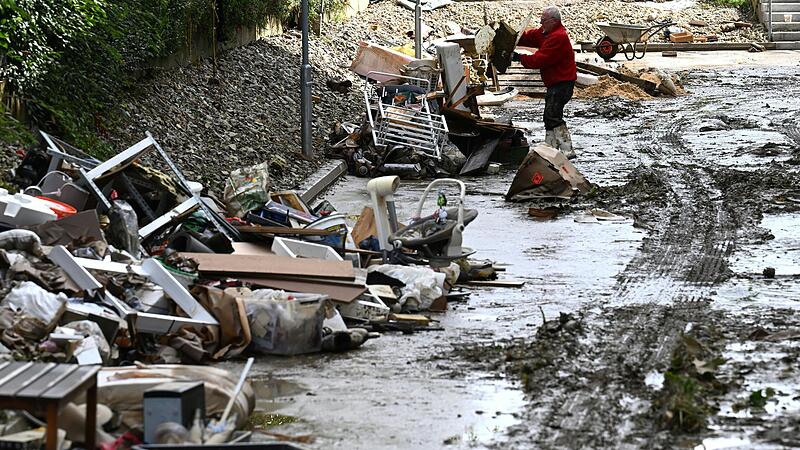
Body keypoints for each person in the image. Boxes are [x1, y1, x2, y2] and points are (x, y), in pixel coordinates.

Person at [513, 6, 577, 159]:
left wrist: (519, 58)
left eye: (544, 21)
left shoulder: (558, 37)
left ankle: (568, 150)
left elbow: (541, 59)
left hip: (562, 83)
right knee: (550, 116)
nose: (541, 24)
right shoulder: (546, 32)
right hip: (556, 82)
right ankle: (551, 148)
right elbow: (530, 37)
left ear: (553, 21)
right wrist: (514, 37)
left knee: (553, 116)